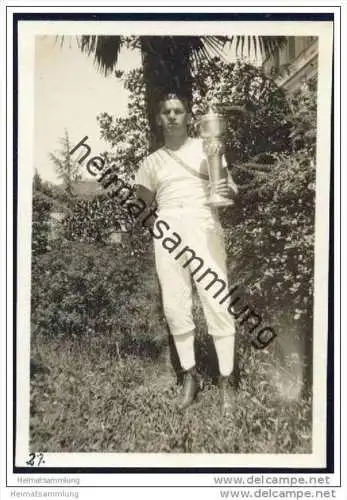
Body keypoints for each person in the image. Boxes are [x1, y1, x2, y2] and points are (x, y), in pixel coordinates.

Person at [134, 93, 238, 416]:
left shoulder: (207, 147)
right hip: (167, 231)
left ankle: (227, 380)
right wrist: (158, 225)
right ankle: (190, 377)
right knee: (175, 305)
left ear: (189, 116)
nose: (173, 116)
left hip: (204, 225)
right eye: (166, 111)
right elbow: (139, 207)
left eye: (178, 110)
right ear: (159, 119)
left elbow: (231, 188)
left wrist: (225, 190)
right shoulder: (151, 163)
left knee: (217, 300)